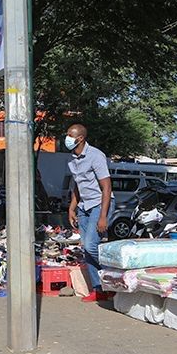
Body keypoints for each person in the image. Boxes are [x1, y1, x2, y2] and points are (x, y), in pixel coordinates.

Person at [66, 124, 114, 302]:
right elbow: (77, 186)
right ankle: (99, 289)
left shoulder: (95, 155)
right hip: (84, 206)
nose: (67, 138)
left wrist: (103, 215)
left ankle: (114, 275)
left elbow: (107, 186)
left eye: (70, 135)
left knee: (91, 245)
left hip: (99, 204)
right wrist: (72, 207)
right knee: (86, 250)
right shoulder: (72, 160)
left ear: (80, 139)